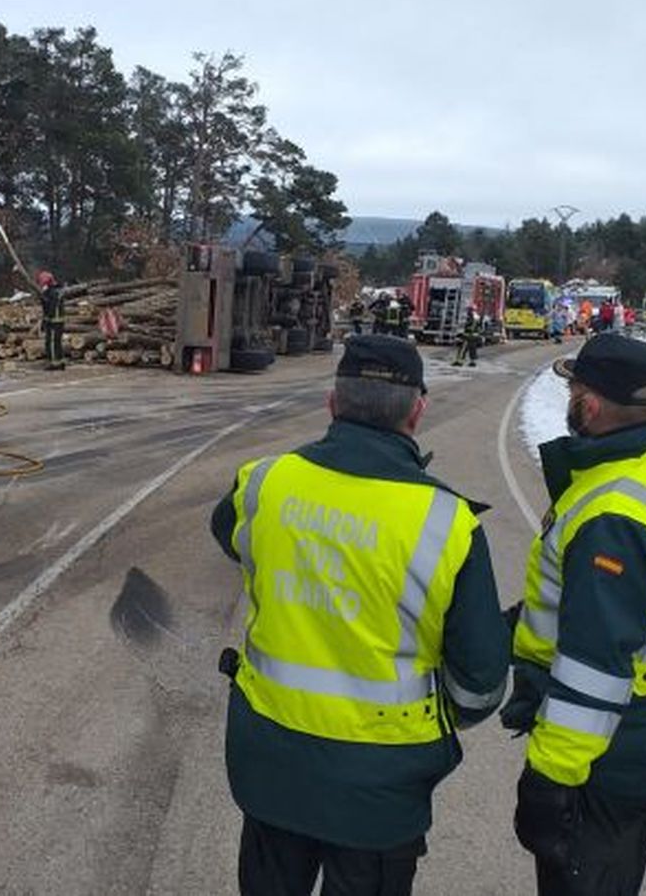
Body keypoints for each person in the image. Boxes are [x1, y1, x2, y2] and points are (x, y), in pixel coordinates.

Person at [210, 335, 512, 896]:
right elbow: (478, 691)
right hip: (379, 793)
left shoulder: (265, 483)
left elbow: (229, 536)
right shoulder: (448, 524)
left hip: (270, 770)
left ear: (332, 403)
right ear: (417, 411)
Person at [501, 333, 646, 896]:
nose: (570, 398)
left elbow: (596, 667)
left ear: (592, 404)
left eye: (574, 388)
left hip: (609, 752)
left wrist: (551, 778)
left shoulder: (615, 516)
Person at [36, 269, 66, 370]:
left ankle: (54, 363)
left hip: (53, 320)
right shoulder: (57, 290)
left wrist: (45, 320)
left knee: (51, 342)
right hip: (58, 320)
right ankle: (60, 361)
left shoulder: (51, 293)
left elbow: (49, 308)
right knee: (57, 342)